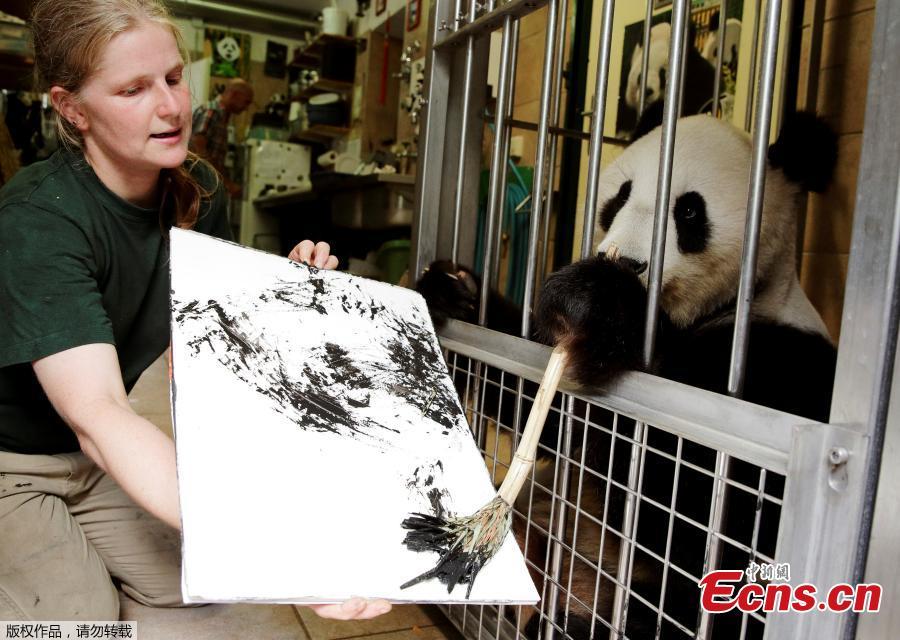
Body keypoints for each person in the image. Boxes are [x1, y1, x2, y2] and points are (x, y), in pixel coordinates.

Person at [0, 0, 387, 623]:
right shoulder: (38, 219)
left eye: (174, 78)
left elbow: (213, 347)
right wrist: (270, 545)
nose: (171, 106)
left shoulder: (195, 189)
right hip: (12, 462)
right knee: (83, 621)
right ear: (72, 109)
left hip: (88, 461)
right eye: (133, 89)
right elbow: (98, 413)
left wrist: (288, 298)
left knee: (209, 581)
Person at [189, 78, 254, 197]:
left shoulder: (222, 116)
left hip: (205, 183)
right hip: (197, 184)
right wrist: (226, 183)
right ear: (234, 94)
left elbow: (214, 155)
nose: (246, 108)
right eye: (246, 102)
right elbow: (197, 148)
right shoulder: (212, 111)